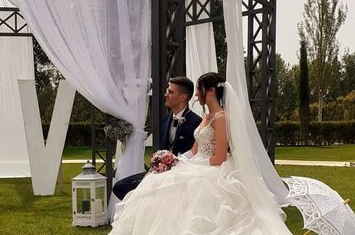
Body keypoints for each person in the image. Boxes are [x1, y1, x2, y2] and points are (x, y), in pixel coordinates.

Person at [109, 72, 292, 235]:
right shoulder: (205, 117)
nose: (196, 94)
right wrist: (174, 160)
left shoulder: (221, 118)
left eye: (199, 89)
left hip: (212, 170)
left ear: (211, 91)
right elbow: (195, 150)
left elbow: (220, 157)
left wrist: (192, 165)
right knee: (159, 185)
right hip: (197, 164)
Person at [112, 76, 202, 200]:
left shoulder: (196, 122)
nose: (166, 94)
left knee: (139, 193)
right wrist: (155, 168)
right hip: (159, 172)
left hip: (180, 177)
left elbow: (195, 155)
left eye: (170, 92)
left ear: (183, 97)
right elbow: (162, 149)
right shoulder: (166, 119)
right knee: (120, 187)